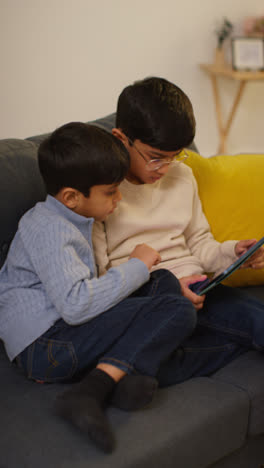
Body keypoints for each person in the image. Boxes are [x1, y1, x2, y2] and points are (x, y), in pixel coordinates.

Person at [0, 122, 199, 454]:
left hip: (60, 335)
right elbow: (76, 305)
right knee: (176, 309)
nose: (118, 200)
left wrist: (143, 272)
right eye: (111, 192)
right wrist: (136, 265)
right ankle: (93, 390)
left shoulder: (71, 220)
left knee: (162, 282)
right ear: (72, 197)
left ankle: (123, 380)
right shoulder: (48, 228)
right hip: (44, 346)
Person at [92, 76, 264, 386]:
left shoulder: (182, 176)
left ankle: (139, 371)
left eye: (175, 156)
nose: (165, 169)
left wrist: (233, 252)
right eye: (156, 158)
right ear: (121, 138)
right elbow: (101, 277)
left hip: (200, 291)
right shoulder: (99, 192)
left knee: (257, 319)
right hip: (147, 301)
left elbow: (200, 244)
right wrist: (170, 294)